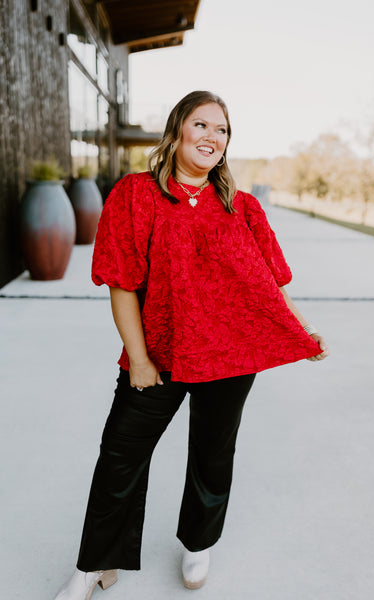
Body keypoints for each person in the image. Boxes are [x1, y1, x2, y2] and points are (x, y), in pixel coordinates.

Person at [54, 90, 329, 600]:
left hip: (231, 355)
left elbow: (272, 285)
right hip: (158, 356)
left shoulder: (242, 208)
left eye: (221, 130)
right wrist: (138, 357)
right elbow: (120, 282)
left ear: (227, 145)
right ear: (177, 130)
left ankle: (198, 544)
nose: (211, 137)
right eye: (201, 125)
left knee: (212, 453)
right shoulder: (136, 195)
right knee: (120, 454)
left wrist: (302, 331)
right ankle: (95, 564)